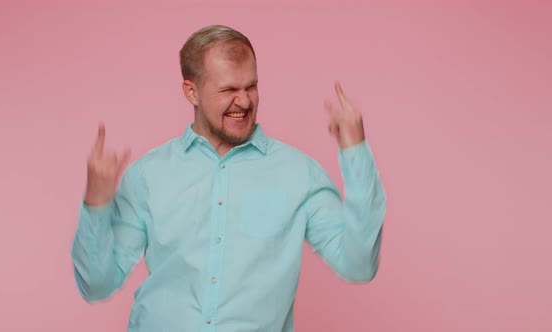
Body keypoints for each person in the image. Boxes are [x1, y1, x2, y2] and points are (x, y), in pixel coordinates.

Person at [71, 24, 387, 332]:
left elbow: (359, 265)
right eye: (228, 90)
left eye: (251, 86)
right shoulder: (147, 175)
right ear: (191, 91)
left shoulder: (300, 173)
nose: (245, 101)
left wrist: (356, 153)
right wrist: (96, 203)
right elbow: (96, 286)